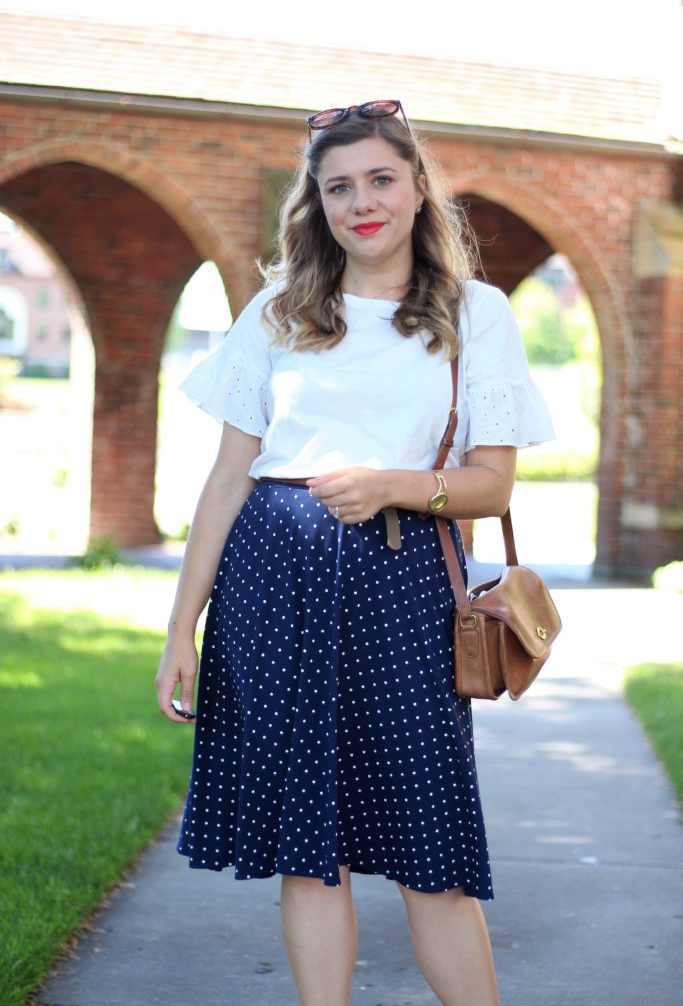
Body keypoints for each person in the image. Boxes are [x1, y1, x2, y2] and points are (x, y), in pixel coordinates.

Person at [155, 99, 554, 1006]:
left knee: (431, 853)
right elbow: (224, 483)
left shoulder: (473, 313)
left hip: (404, 583)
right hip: (272, 582)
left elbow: (493, 486)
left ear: (418, 189)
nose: (360, 202)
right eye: (338, 187)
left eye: (380, 179)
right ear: (318, 204)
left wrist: (392, 485)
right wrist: (181, 629)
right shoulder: (275, 310)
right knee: (311, 854)